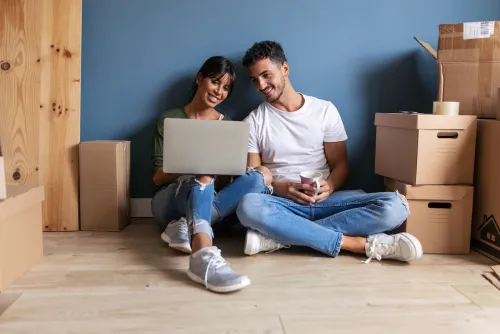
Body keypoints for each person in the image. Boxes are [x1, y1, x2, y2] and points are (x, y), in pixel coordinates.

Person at [236, 41, 423, 263]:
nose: (261, 85)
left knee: (397, 206)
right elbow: (255, 178)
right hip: (283, 205)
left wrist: (330, 186)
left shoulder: (324, 110)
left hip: (329, 202)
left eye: (266, 75)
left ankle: (279, 239)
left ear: (285, 68)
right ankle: (356, 244)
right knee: (248, 206)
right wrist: (281, 188)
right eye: (255, 80)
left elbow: (341, 165)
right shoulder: (254, 121)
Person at [151, 56, 273, 293]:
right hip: (169, 199)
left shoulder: (227, 124)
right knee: (203, 176)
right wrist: (193, 166)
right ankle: (202, 255)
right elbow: (157, 177)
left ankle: (186, 226)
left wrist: (231, 171)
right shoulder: (170, 119)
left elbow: (227, 183)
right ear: (200, 79)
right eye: (215, 82)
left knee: (261, 175)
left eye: (226, 87)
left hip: (206, 199)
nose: (219, 91)